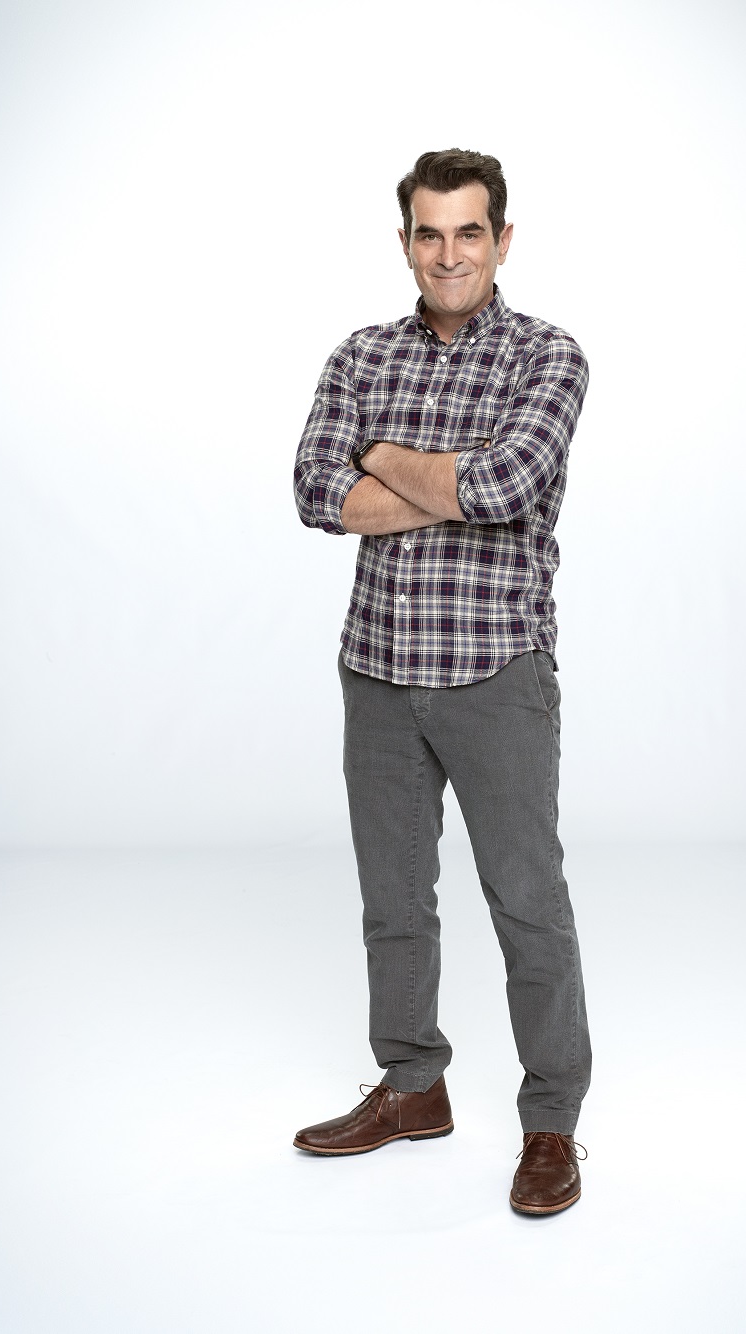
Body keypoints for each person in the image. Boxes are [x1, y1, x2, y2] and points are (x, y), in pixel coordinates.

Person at [292, 148, 592, 1214]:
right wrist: (449, 478)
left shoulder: (547, 356)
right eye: (430, 232)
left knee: (526, 900)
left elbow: (508, 483)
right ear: (406, 242)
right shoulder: (362, 352)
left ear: (501, 241)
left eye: (470, 231)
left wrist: (384, 455)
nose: (449, 252)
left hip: (495, 671)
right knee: (392, 899)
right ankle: (413, 1085)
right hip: (377, 669)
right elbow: (315, 492)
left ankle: (551, 1120)